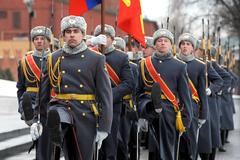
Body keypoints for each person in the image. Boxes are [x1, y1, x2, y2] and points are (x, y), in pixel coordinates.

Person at [31, 16, 113, 160]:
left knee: (82, 156)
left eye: (76, 31)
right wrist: (36, 120)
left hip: (85, 114)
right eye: (68, 31)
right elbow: (43, 94)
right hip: (61, 106)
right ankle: (57, 128)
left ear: (83, 34)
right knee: (57, 115)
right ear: (63, 35)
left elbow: (105, 95)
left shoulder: (96, 59)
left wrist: (104, 128)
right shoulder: (53, 58)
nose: (72, 35)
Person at [137, 29, 192, 160]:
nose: (162, 43)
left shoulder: (180, 66)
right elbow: (138, 91)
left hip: (169, 113)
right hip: (148, 110)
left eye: (166, 41)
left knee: (167, 150)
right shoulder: (144, 63)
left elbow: (185, 96)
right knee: (153, 151)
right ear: (155, 44)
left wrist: (186, 119)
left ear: (170, 44)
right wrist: (139, 115)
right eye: (159, 41)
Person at [94, 24, 134, 160]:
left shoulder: (121, 57)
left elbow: (128, 84)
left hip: (112, 106)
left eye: (106, 37)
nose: (103, 40)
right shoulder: (89, 55)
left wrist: (108, 95)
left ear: (112, 39)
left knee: (110, 146)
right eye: (99, 37)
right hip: (90, 106)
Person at [16, 26, 54, 159]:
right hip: (31, 104)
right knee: (39, 138)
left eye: (42, 38)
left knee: (48, 140)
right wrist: (22, 109)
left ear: (49, 41)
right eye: (36, 39)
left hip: (50, 102)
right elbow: (21, 88)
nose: (39, 41)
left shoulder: (56, 59)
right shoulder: (25, 61)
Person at [177, 33, 208, 160]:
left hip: (192, 109)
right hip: (175, 107)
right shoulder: (173, 62)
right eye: (182, 44)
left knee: (190, 144)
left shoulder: (200, 66)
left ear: (193, 48)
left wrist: (203, 115)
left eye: (188, 44)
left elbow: (202, 93)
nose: (185, 47)